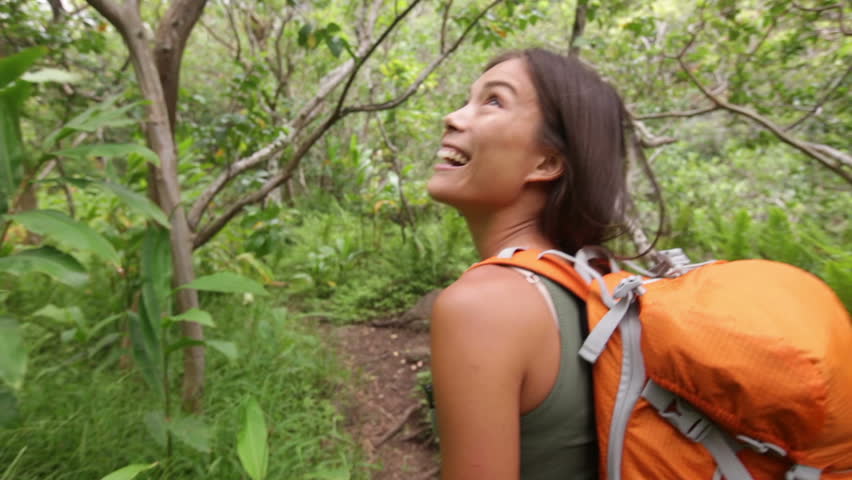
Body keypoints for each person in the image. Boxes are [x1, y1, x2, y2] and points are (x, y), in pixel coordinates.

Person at [427, 48, 632, 479]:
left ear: (547, 162)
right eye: (469, 99)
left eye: (494, 101)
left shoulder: (483, 307)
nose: (453, 117)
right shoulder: (594, 284)